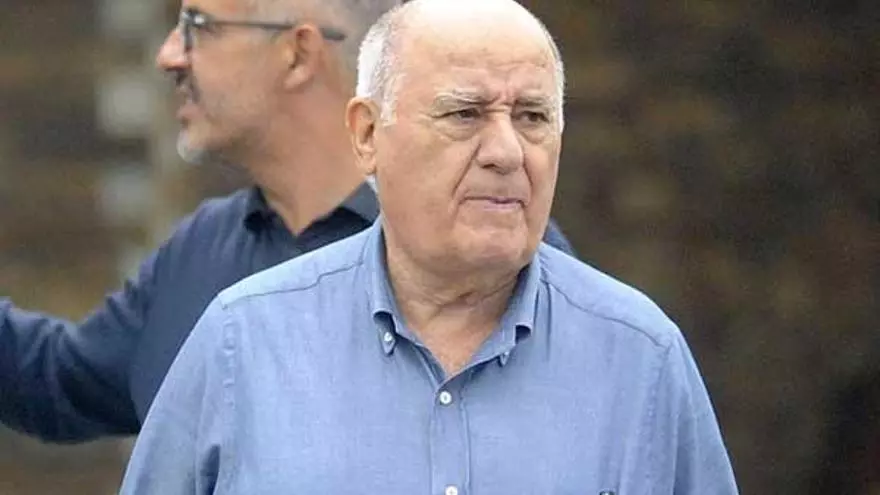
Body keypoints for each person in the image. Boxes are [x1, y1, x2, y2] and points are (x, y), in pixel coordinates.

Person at [119, 0, 738, 493]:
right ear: (367, 135)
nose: (506, 152)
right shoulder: (242, 343)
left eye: (532, 117)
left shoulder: (641, 359)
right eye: (464, 114)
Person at [0, 0, 578, 443]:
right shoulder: (204, 248)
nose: (169, 55)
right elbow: (57, 383)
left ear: (298, 54)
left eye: (199, 25)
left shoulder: (491, 258)